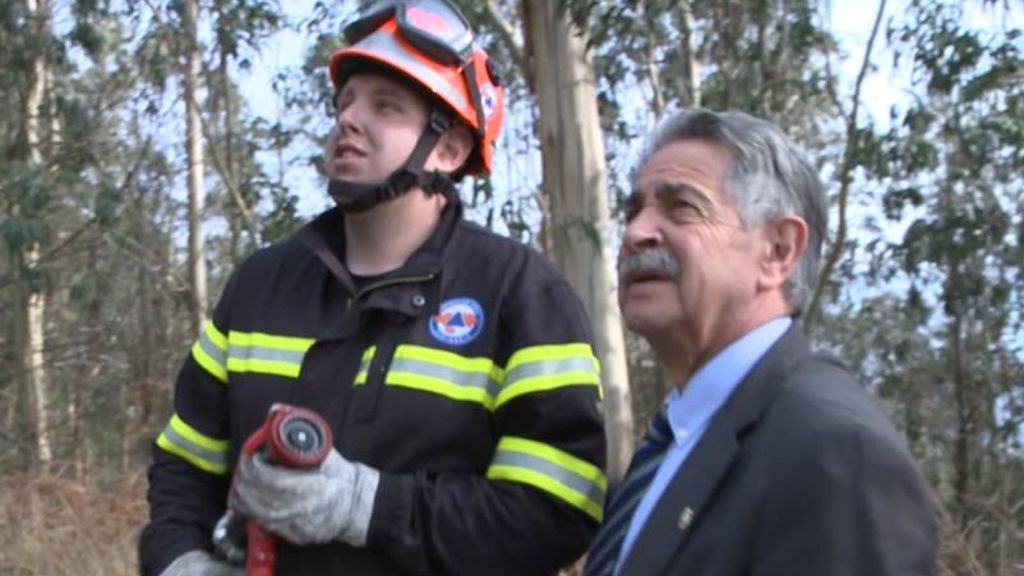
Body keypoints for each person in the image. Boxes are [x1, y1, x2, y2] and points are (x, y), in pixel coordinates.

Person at [138, 1, 607, 574]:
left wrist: (368, 506)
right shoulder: (260, 287)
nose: (349, 121)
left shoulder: (523, 296)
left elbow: (553, 514)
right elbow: (183, 467)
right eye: (346, 102)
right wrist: (180, 560)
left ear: (449, 148)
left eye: (386, 107)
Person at [583, 109, 936, 576]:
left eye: (682, 207)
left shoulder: (835, 453)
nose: (634, 233)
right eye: (633, 211)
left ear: (778, 251)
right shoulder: (674, 442)